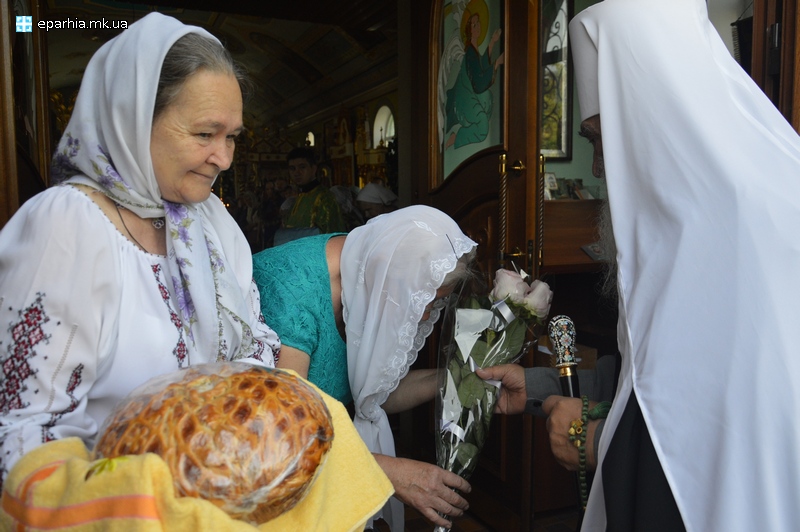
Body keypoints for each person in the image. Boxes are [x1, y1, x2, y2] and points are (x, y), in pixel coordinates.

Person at [0, 13, 392, 529]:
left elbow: (254, 353)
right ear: (132, 118)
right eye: (206, 133)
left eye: (232, 136)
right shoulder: (68, 227)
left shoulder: (211, 225)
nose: (224, 157)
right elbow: (23, 431)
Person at [483, 0, 800, 530]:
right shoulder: (703, 208)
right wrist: (540, 388)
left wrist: (596, 441)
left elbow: (711, 435)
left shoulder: (742, 220)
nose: (603, 167)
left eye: (605, 139)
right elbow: (659, 376)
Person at [253, 205, 477, 530]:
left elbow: (377, 395)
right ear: (392, 278)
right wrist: (388, 472)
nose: (426, 315)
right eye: (423, 301)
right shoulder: (291, 294)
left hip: (328, 462)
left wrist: (453, 379)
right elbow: (285, 434)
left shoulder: (369, 272)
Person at [276, 147, 346, 245]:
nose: (297, 172)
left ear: (313, 169)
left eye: (302, 167)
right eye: (292, 168)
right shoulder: (298, 198)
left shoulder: (325, 198)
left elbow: (333, 236)